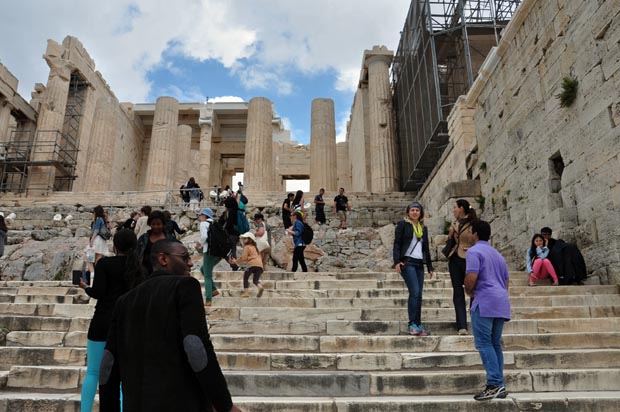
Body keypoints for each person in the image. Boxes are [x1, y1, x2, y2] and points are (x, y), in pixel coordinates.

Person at [98, 239, 242, 412]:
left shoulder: (124, 301)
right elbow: (196, 347)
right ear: (163, 259)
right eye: (184, 257)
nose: (190, 263)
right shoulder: (185, 286)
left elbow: (108, 363)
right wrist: (224, 405)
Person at [78, 229, 143, 412]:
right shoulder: (138, 268)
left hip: (103, 321)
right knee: (123, 375)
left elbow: (97, 292)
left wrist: (85, 287)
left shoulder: (104, 264)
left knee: (93, 371)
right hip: (127, 325)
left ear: (115, 246)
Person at [464, 220, 511, 401]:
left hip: (484, 301)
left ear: (475, 234)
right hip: (501, 301)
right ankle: (500, 384)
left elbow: (471, 276)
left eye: (470, 231)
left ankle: (494, 384)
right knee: (494, 344)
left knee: (483, 343)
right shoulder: (498, 255)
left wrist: (469, 291)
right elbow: (506, 281)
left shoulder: (474, 251)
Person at [392, 201, 434, 336]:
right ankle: (412, 324)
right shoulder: (403, 225)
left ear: (420, 213)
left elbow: (425, 248)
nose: (415, 212)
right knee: (414, 291)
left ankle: (418, 324)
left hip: (419, 263)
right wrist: (397, 261)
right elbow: (397, 243)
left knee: (419, 294)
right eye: (412, 210)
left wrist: (430, 266)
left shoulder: (423, 228)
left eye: (417, 210)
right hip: (407, 262)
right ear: (408, 212)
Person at [446, 199, 477, 335]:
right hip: (455, 258)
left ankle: (476, 321)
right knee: (457, 292)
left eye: (455, 208)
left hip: (470, 258)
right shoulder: (454, 224)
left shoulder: (474, 223)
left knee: (473, 291)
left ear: (462, 208)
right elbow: (451, 241)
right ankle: (461, 325)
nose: (453, 210)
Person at [194, 207, 220, 307]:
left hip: (208, 251)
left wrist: (199, 244)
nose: (199, 217)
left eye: (200, 215)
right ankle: (213, 290)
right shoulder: (214, 223)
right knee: (203, 269)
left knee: (207, 275)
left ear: (204, 215)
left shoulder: (203, 224)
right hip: (218, 252)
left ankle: (208, 300)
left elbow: (204, 237)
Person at [136, 210, 172, 275]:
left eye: (158, 224)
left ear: (163, 224)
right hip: (146, 273)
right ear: (150, 224)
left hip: (165, 274)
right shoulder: (143, 239)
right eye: (153, 224)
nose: (156, 226)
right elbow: (137, 254)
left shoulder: (169, 239)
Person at [230, 232, 264, 298]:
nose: (243, 240)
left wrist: (236, 261)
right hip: (260, 266)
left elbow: (244, 258)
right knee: (255, 280)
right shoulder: (255, 248)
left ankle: (246, 293)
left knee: (245, 277)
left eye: (245, 239)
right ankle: (260, 287)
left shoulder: (247, 247)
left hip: (252, 265)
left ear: (250, 240)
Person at [219, 196, 240, 271]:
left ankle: (234, 265)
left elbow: (229, 223)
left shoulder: (230, 212)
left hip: (229, 234)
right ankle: (234, 265)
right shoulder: (237, 211)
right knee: (232, 249)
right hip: (236, 234)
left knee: (223, 250)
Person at [88, 205, 110, 276]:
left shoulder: (98, 219)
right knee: (98, 260)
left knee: (89, 260)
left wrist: (91, 240)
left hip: (96, 240)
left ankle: (93, 275)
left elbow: (96, 230)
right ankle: (98, 275)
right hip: (102, 241)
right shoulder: (103, 220)